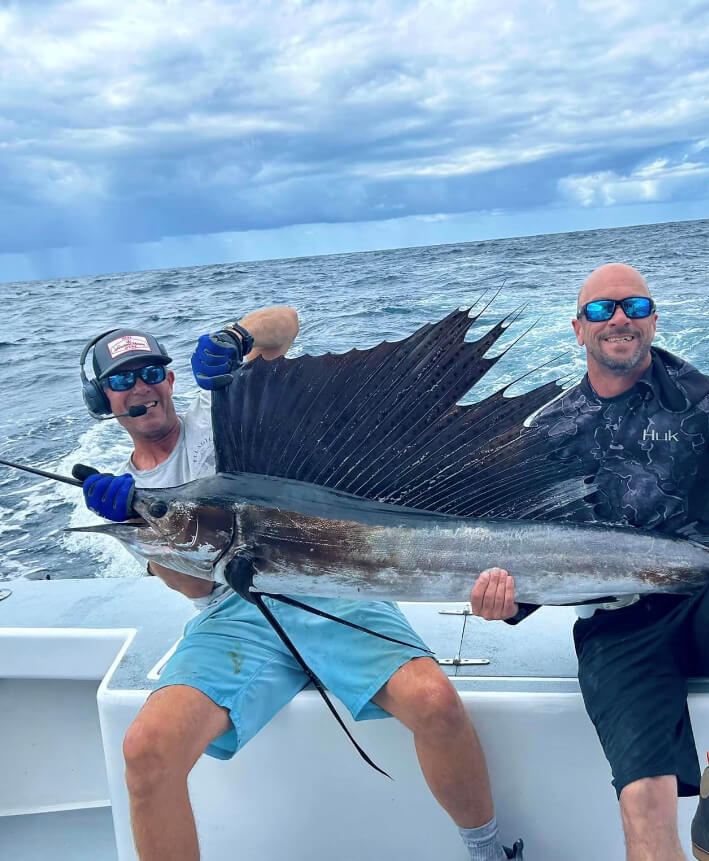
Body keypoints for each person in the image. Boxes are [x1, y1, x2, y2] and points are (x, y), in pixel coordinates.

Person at [79, 308, 523, 861]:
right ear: (104, 401)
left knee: (435, 703)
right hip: (236, 612)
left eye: (150, 373)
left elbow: (284, 324)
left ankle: (489, 852)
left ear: (170, 379)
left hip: (333, 585)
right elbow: (194, 590)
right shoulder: (128, 497)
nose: (140, 388)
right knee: (146, 749)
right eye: (121, 381)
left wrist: (235, 337)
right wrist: (143, 526)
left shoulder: (222, 412)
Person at [470, 264, 709, 861]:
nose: (619, 320)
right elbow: (537, 554)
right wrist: (506, 603)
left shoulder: (697, 400)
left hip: (704, 603)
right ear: (578, 329)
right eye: (603, 310)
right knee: (645, 811)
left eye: (635, 308)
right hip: (618, 629)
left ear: (653, 322)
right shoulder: (551, 432)